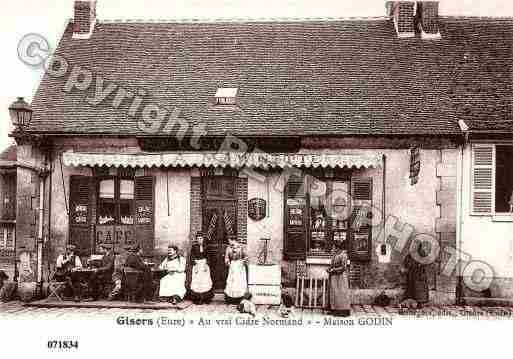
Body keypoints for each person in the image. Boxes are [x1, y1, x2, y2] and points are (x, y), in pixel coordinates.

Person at [327, 240, 351, 317]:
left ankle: (343, 311)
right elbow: (332, 264)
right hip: (334, 277)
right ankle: (334, 309)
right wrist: (329, 268)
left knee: (342, 293)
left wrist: (334, 270)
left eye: (334, 248)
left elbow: (343, 267)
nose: (333, 249)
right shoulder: (334, 255)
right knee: (334, 293)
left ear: (338, 248)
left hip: (341, 277)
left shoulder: (343, 255)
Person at [403, 241, 429, 307]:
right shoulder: (410, 254)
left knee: (420, 289)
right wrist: (410, 265)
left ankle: (420, 302)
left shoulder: (422, 253)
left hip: (420, 274)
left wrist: (421, 264)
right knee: (411, 288)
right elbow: (406, 261)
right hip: (412, 274)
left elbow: (427, 261)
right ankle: (411, 302)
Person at [190, 234, 213, 304]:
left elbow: (209, 256)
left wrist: (206, 264)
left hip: (204, 264)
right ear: (196, 240)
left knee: (205, 280)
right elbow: (192, 256)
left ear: (203, 239)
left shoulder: (206, 247)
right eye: (198, 238)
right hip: (197, 264)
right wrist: (195, 264)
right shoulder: (194, 247)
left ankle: (206, 298)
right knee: (197, 281)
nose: (199, 240)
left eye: (201, 238)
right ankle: (198, 298)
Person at [224, 237, 248, 304]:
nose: (229, 243)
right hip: (232, 266)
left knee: (239, 282)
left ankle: (240, 299)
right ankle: (231, 299)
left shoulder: (241, 247)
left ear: (233, 240)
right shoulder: (228, 248)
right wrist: (228, 262)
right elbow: (226, 257)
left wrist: (242, 262)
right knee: (232, 282)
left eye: (230, 241)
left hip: (239, 266)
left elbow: (246, 256)